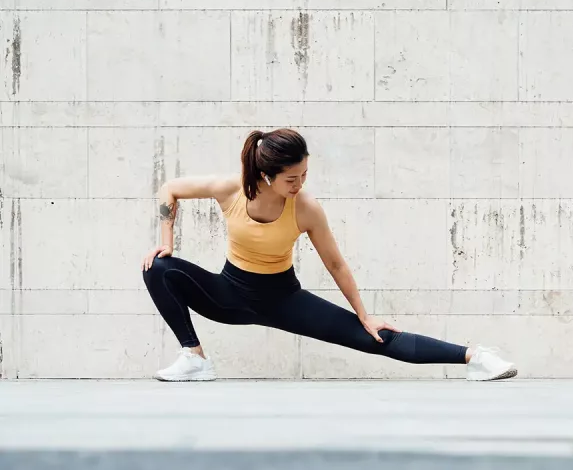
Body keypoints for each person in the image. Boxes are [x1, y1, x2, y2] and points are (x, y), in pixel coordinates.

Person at [141, 128, 517, 382]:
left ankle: (476, 357)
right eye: (292, 178)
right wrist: (167, 238)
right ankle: (194, 357)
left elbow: (335, 263)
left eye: (304, 175)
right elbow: (170, 188)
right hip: (227, 295)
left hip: (283, 299)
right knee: (158, 267)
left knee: (375, 338)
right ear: (268, 175)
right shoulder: (231, 190)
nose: (300, 184)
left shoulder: (306, 208)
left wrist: (365, 315)